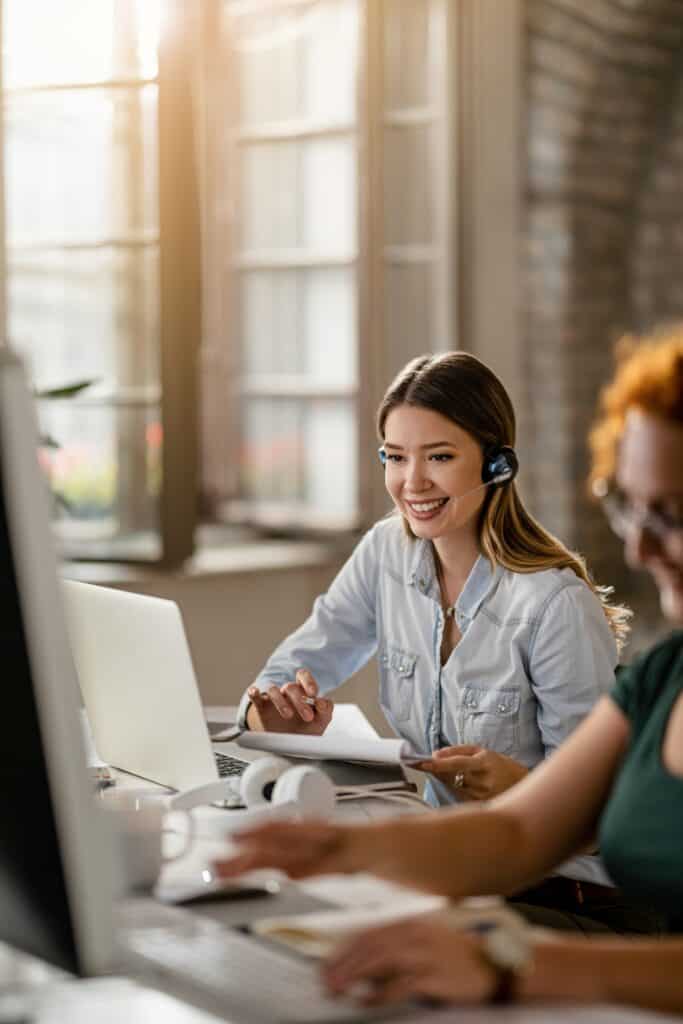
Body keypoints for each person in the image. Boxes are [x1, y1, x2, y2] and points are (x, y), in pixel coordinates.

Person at [219, 331, 683, 1013]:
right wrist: (339, 848)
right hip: (485, 878)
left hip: (574, 904)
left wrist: (506, 963)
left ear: (495, 466)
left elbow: (574, 832)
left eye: (667, 513)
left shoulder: (552, 604)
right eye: (625, 506)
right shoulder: (662, 675)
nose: (636, 548)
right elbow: (522, 831)